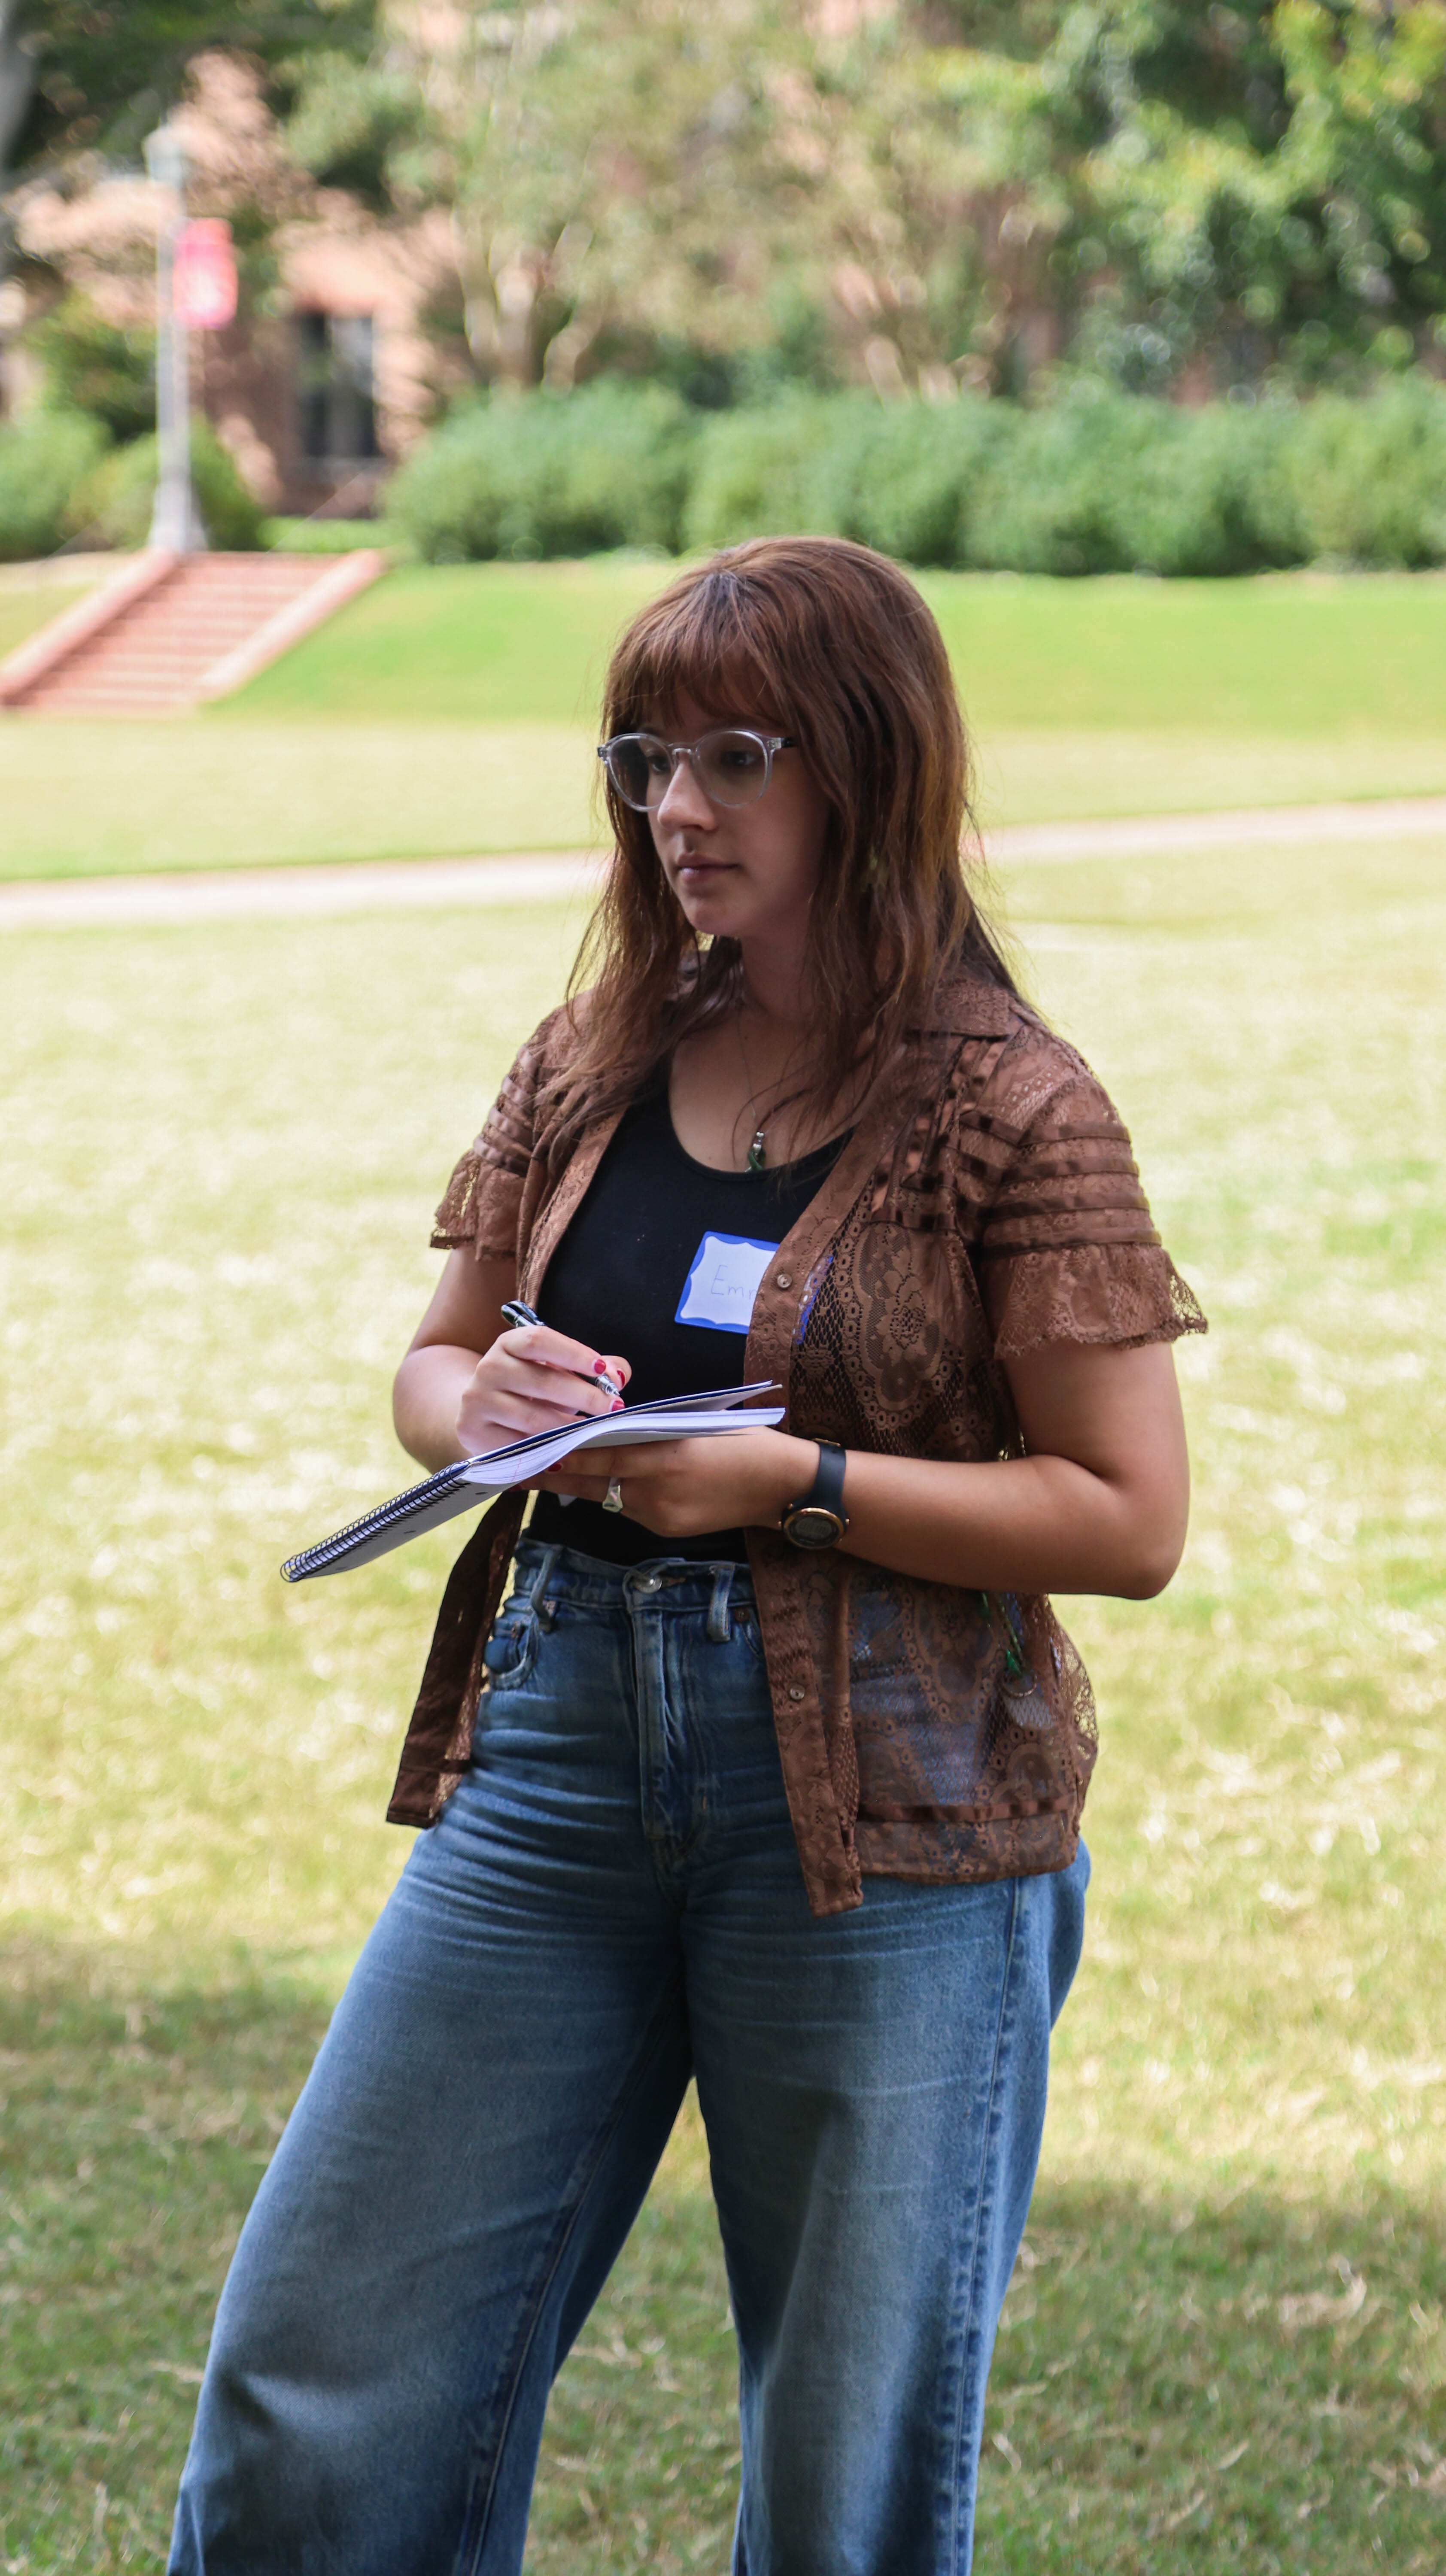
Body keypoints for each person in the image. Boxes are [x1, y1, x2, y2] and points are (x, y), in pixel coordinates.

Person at [169, 535, 1204, 2575]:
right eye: (646, 756)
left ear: (864, 771)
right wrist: (476, 1414)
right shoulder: (592, 1054)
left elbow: (1125, 1520)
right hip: (551, 1756)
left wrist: (797, 1484)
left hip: (886, 1817)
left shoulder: (1011, 1103)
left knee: (844, 2477)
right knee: (315, 2391)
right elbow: (436, 1363)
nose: (674, 810)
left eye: (735, 758)